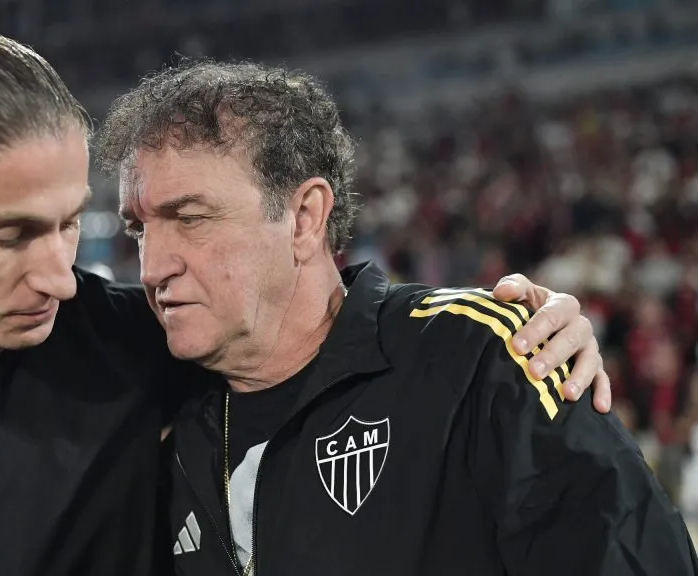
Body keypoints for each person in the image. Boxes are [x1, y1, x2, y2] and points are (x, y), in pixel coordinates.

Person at [0, 33, 610, 576]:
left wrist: (512, 328)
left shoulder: (122, 335)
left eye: (70, 225)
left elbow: (309, 326)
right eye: (10, 235)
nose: (56, 273)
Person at [95, 59, 698, 575]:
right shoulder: (147, 408)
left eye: (192, 219)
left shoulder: (480, 362)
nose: (151, 267)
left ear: (304, 217)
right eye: (138, 228)